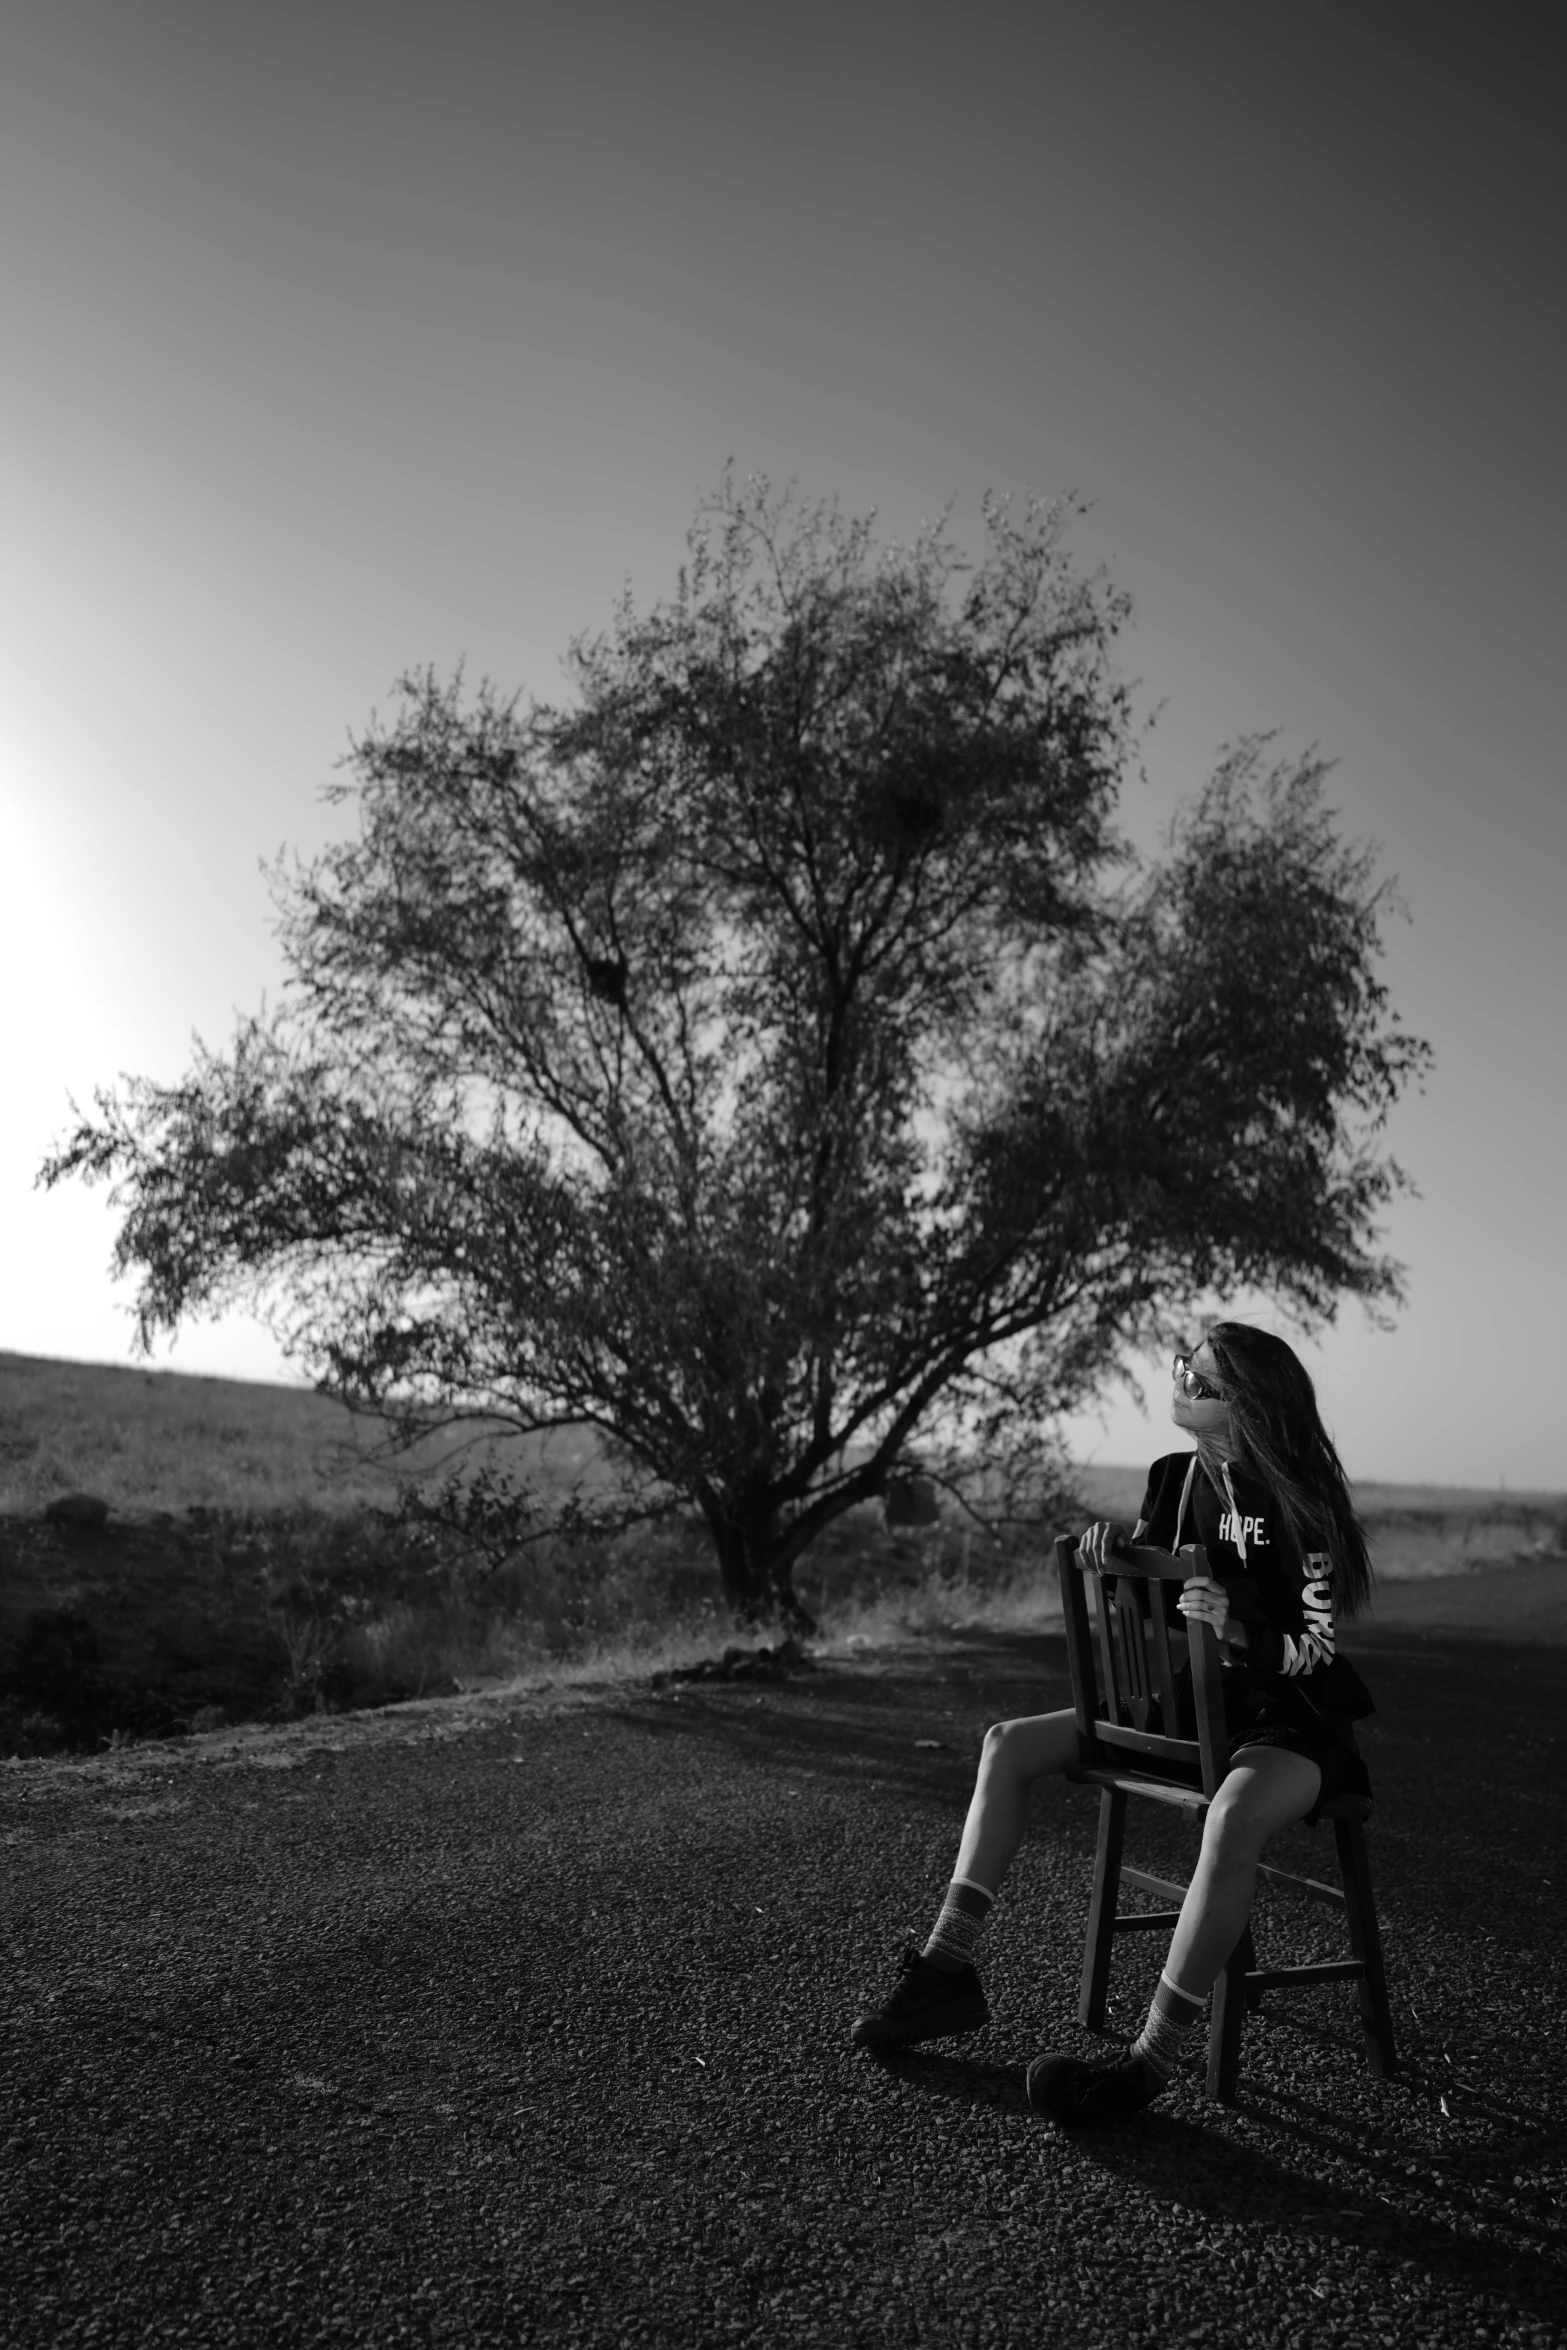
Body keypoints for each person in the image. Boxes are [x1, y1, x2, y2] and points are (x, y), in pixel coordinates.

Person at [849, 1321, 1376, 2127]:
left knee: (1231, 1818)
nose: (1179, 1386)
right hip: (1190, 1708)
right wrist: (1119, 1555)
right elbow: (1164, 1599)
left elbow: (1314, 1647)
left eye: (1196, 1381)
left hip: (1289, 1721)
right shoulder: (1172, 1479)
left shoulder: (1299, 1503)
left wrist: (1240, 1631)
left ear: (1245, 1405)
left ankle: (1146, 2065)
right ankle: (943, 1971)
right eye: (1182, 1371)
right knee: (1007, 1743)